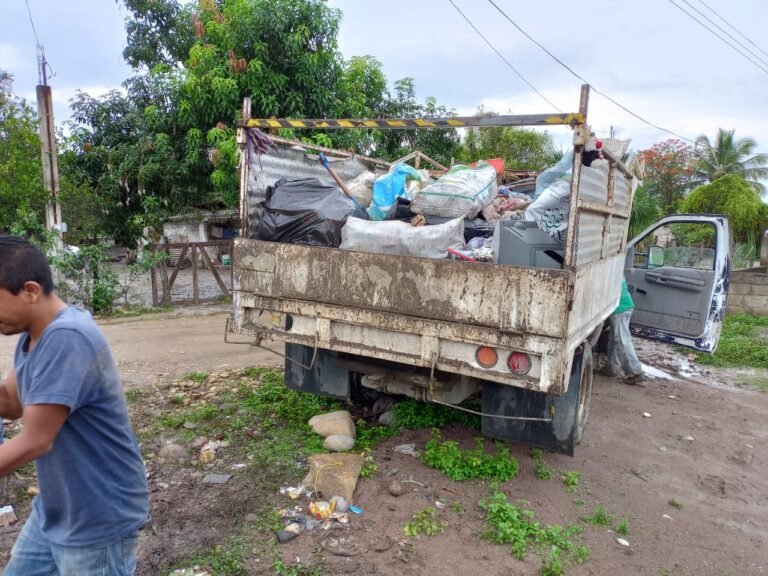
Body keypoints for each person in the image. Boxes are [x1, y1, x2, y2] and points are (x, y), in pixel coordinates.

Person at [0, 235, 149, 575]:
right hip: (58, 510)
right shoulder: (32, 335)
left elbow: (36, 439)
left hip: (97, 517)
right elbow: (11, 402)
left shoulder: (67, 337)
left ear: (30, 291)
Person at [602, 277, 644, 384]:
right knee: (615, 340)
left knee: (621, 340)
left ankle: (635, 372)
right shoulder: (617, 267)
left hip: (620, 308)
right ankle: (611, 369)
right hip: (625, 305)